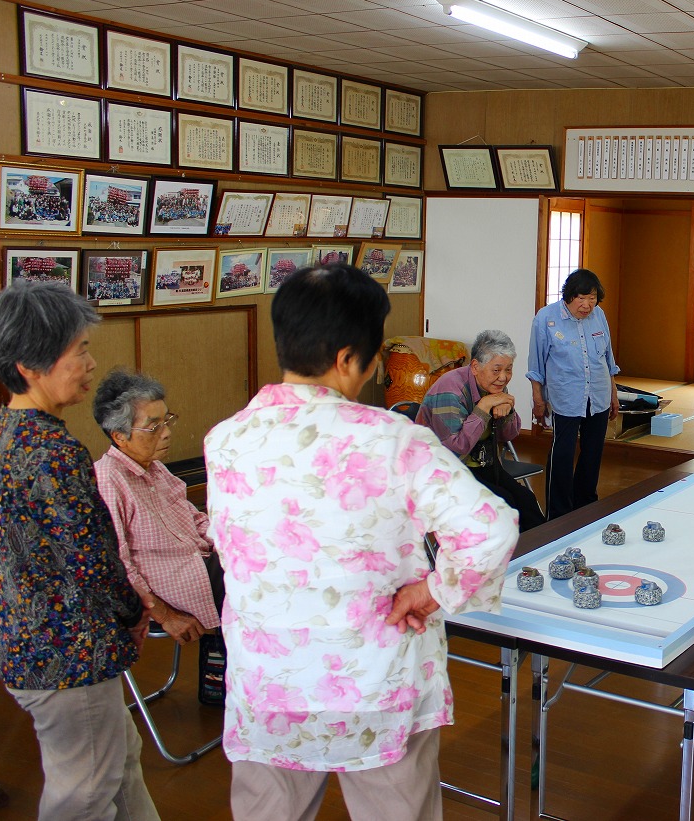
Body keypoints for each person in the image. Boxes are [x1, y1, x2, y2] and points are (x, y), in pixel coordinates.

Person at [204, 264, 518, 821]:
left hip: (270, 683)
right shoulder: (395, 441)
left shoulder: (226, 440)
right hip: (375, 682)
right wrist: (433, 591)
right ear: (350, 358)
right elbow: (489, 527)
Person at [0, 281, 159, 821]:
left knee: (120, 762)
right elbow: (92, 560)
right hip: (67, 655)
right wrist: (132, 612)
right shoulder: (53, 452)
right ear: (30, 366)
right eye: (79, 350)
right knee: (83, 793)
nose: (91, 363)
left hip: (26, 641)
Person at [92, 369, 228, 704]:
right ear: (120, 437)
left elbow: (195, 518)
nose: (166, 432)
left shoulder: (155, 468)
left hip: (199, 563)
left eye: (166, 420)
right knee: (256, 582)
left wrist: (230, 538)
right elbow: (118, 566)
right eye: (153, 426)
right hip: (169, 586)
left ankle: (228, 679)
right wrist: (165, 615)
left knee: (258, 558)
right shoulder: (108, 479)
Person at [416, 329, 546, 532]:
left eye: (509, 369)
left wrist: (508, 410)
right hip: (444, 470)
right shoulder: (450, 391)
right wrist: (483, 408)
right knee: (504, 506)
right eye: (497, 370)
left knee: (526, 501)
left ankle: (540, 550)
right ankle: (513, 552)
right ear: (475, 366)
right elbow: (456, 450)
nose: (503, 377)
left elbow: (508, 435)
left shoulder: (494, 386)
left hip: (482, 464)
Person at [527, 268, 620, 519]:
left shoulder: (599, 315)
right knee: (563, 455)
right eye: (581, 298)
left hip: (598, 395)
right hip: (565, 397)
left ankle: (586, 508)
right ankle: (558, 515)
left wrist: (613, 394)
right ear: (568, 295)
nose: (587, 305)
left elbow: (608, 359)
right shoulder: (546, 318)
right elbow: (536, 365)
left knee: (592, 455)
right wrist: (538, 399)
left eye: (592, 298)